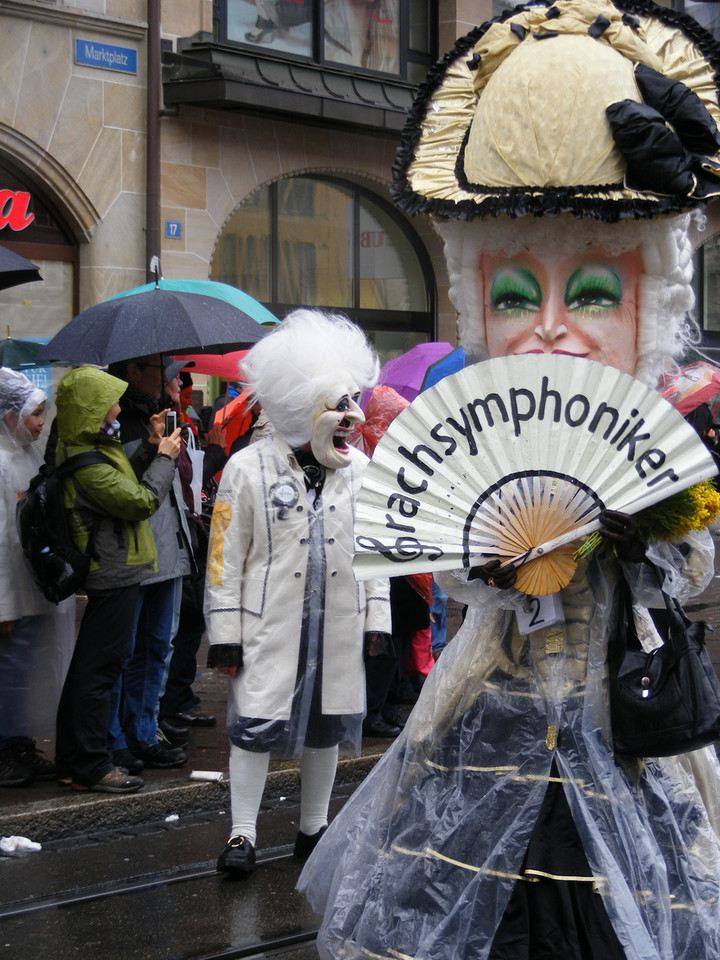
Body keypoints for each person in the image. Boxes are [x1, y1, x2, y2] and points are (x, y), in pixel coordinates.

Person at [299, 2, 720, 957]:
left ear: (649, 303)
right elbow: (437, 563)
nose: (552, 328)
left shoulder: (665, 461)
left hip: (623, 723)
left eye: (596, 294)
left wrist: (636, 536)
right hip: (487, 713)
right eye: (519, 294)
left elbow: (699, 573)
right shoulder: (470, 439)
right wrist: (485, 559)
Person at [205, 308, 391, 876]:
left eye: (354, 403)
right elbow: (222, 560)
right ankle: (242, 835)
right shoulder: (246, 469)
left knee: (326, 722)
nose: (353, 418)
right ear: (298, 406)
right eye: (340, 405)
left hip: (336, 622)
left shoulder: (361, 472)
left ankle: (314, 828)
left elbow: (375, 551)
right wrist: (225, 632)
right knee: (255, 725)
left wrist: (377, 619)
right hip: (269, 624)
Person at [54, 366, 180, 793]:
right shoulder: (86, 460)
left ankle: (75, 760)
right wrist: (165, 458)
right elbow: (140, 499)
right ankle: (91, 763)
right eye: (110, 399)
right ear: (93, 407)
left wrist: (148, 447)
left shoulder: (90, 447)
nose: (117, 407)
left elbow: (123, 476)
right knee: (99, 672)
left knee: (90, 669)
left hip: (118, 569)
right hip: (115, 572)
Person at [105, 355, 195, 772]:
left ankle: (144, 730)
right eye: (157, 369)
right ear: (132, 371)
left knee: (158, 646)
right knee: (123, 652)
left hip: (169, 550)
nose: (167, 377)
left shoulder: (161, 417)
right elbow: (127, 488)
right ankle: (117, 738)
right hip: (134, 553)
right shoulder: (115, 421)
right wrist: (156, 449)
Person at [0, 368, 74, 787]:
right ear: (10, 416)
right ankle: (7, 751)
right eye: (35, 414)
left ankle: (21, 746)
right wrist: (4, 606)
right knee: (9, 676)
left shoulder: (26, 453)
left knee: (24, 675)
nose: (41, 422)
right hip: (13, 596)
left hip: (32, 589)